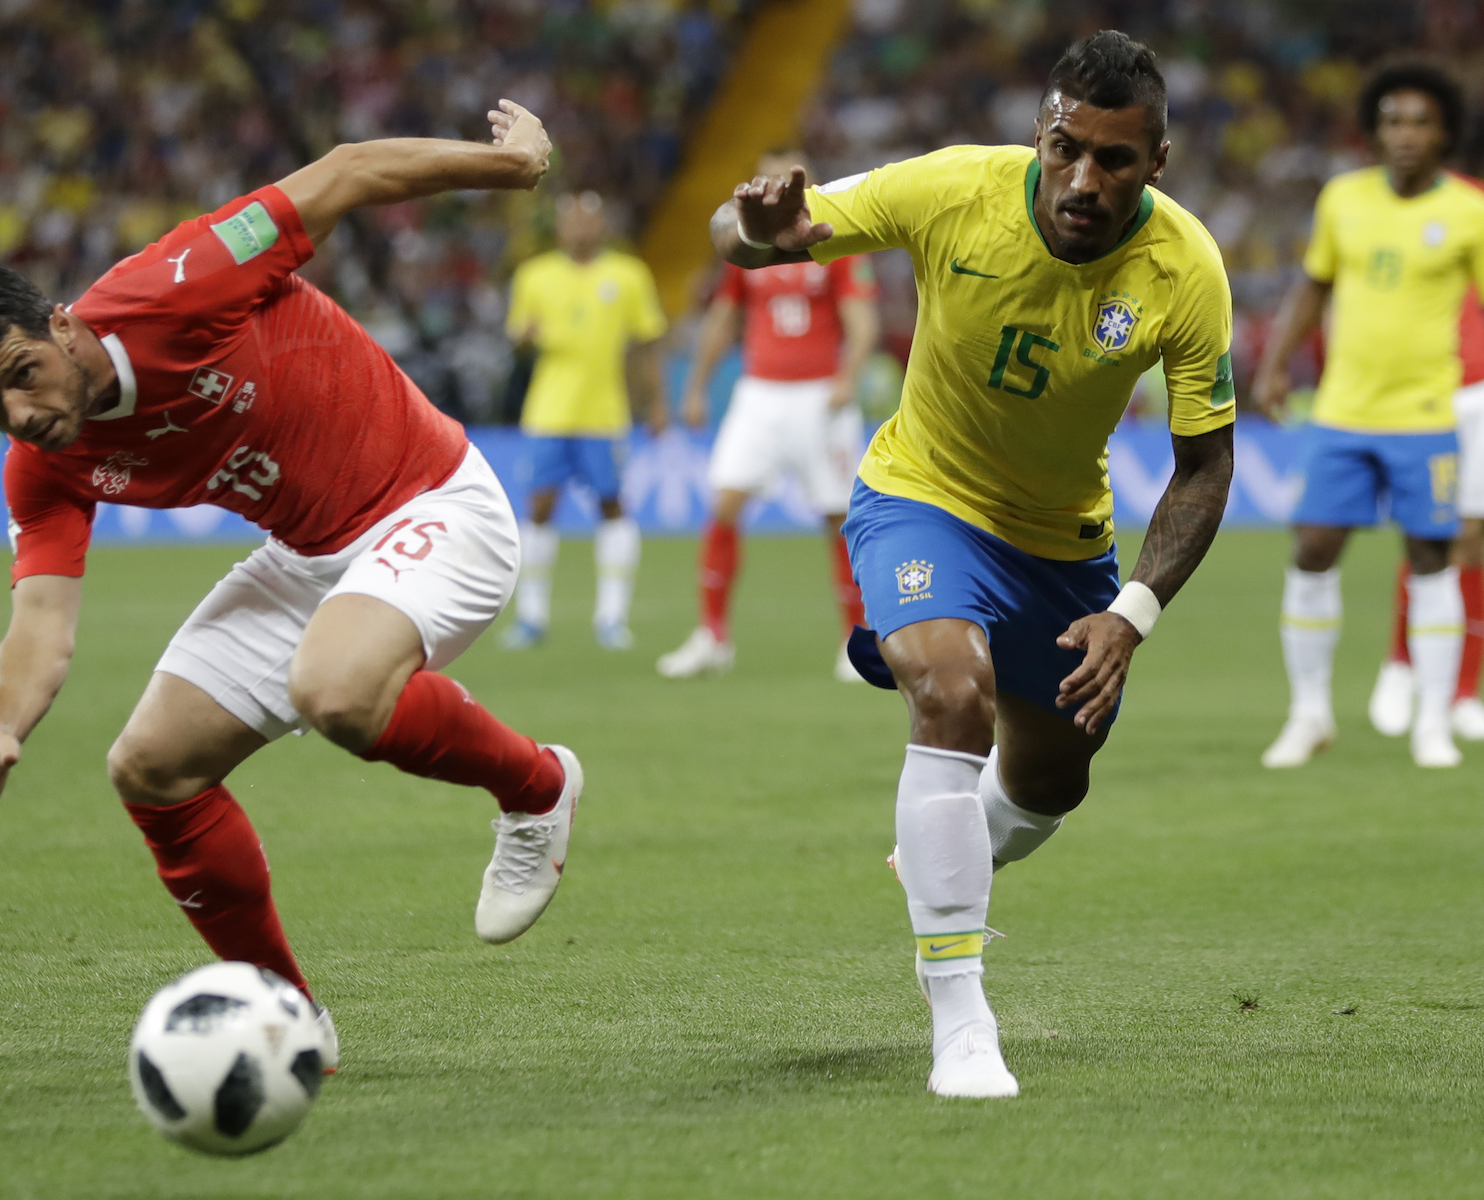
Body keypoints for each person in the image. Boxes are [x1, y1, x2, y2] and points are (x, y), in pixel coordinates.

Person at [0, 102, 584, 1068]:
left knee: (336, 691)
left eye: (22, 374)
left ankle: (538, 787)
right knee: (150, 769)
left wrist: (513, 165)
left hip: (436, 503)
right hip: (309, 558)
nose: (17, 414)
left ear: (61, 326)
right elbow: (41, 623)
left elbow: (348, 168)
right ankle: (286, 1020)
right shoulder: (43, 464)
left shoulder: (178, 282)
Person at [712, 31, 1235, 1098]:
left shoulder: (1186, 271)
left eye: (1115, 161)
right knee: (950, 693)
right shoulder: (954, 187)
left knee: (1052, 782)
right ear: (1041, 131)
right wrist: (754, 232)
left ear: (1158, 163)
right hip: (922, 497)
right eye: (1064, 147)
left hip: (1064, 544)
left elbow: (1203, 466)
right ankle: (961, 1019)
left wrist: (1131, 613)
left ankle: (953, 841)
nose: (1082, 179)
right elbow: (752, 231)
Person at [1254, 64, 1484, 770]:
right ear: (1374, 131)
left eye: (1420, 122)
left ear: (1445, 132)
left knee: (1431, 562)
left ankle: (1432, 725)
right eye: (1391, 122)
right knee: (1313, 549)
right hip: (1342, 413)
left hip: (1426, 415)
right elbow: (1314, 286)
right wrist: (1274, 363)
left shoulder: (1471, 210)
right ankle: (1310, 714)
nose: (1405, 135)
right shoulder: (1343, 199)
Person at [658, 148, 879, 682]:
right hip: (759, 394)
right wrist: (695, 388)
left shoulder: (833, 241)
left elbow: (862, 318)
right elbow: (723, 317)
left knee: (837, 518)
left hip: (820, 396)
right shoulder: (749, 246)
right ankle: (712, 636)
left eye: (791, 177)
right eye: (772, 177)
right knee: (726, 503)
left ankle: (854, 641)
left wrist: (848, 374)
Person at [502, 191, 668, 650]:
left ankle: (612, 617)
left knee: (612, 506)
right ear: (559, 229)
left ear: (603, 226)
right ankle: (532, 617)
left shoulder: (628, 275)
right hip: (548, 412)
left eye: (587, 220)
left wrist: (657, 403)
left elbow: (647, 342)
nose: (579, 228)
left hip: (604, 414)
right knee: (539, 508)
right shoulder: (534, 275)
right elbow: (516, 336)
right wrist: (523, 338)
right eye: (571, 220)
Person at [1368, 256, 1484, 742]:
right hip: (1427, 389)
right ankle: (1401, 664)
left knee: (1475, 542)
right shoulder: (1444, 203)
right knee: (1428, 535)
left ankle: (1462, 694)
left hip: (1481, 392)